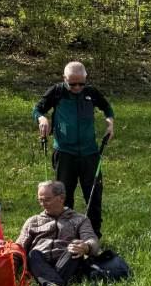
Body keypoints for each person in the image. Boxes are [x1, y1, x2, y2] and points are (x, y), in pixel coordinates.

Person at [33, 61, 114, 235]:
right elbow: (37, 109)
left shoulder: (91, 93)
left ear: (86, 79)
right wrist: (42, 119)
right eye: (72, 84)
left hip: (89, 153)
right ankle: (65, 233)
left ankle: (93, 236)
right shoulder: (57, 92)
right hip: (64, 152)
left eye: (81, 83)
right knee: (64, 196)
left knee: (93, 195)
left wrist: (110, 123)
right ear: (64, 79)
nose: (77, 87)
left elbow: (107, 108)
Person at [16, 180, 99, 286]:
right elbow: (19, 246)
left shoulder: (79, 219)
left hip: (66, 262)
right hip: (39, 263)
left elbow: (93, 241)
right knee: (33, 254)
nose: (43, 204)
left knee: (73, 248)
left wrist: (86, 246)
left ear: (61, 198)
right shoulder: (33, 221)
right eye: (40, 200)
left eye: (47, 199)